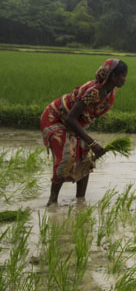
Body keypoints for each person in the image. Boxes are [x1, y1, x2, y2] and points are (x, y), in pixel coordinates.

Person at [41, 59, 128, 206]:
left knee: (86, 158)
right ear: (113, 77)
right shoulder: (93, 91)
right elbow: (70, 118)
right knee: (66, 156)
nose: (124, 79)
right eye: (123, 75)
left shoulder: (110, 90)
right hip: (56, 118)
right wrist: (92, 142)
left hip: (74, 122)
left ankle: (80, 201)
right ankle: (52, 202)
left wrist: (89, 143)